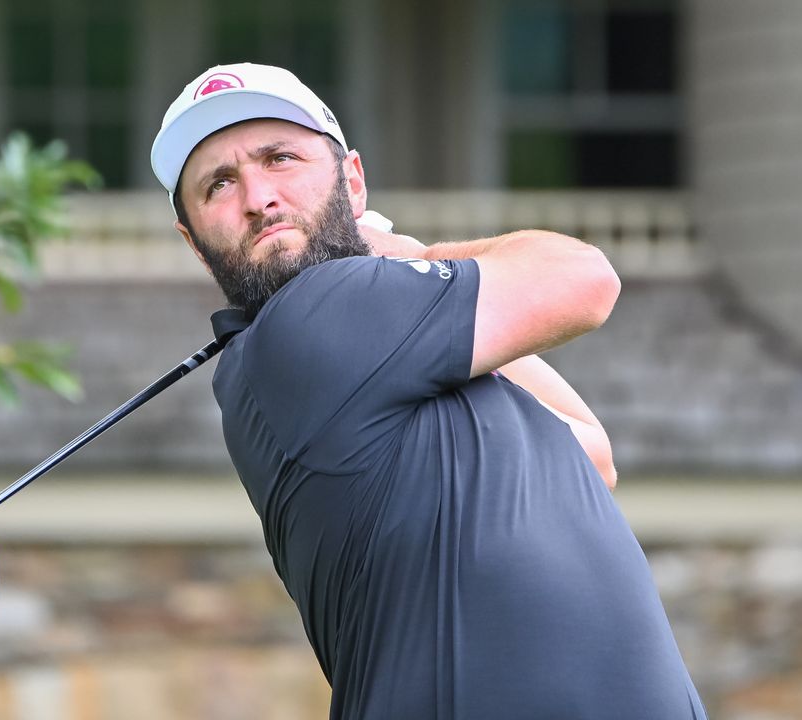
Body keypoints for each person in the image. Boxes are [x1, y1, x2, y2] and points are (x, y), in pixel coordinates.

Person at [150, 62, 706, 719]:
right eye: (219, 183)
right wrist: (421, 253)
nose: (257, 197)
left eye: (280, 157)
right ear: (194, 241)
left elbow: (589, 452)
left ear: (351, 181)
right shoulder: (315, 315)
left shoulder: (382, 356)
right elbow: (585, 278)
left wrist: (411, 263)